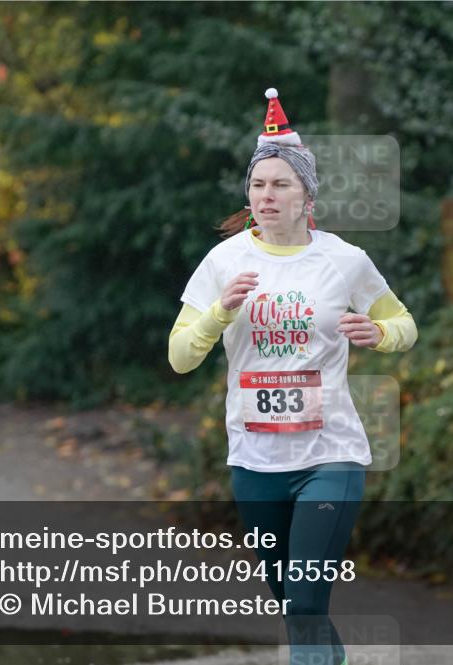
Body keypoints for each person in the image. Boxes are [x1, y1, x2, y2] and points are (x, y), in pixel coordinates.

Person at [169, 88, 417, 665]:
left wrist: (380, 335)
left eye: (281, 184)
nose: (267, 195)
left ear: (308, 194)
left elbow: (402, 322)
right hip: (254, 461)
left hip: (331, 453)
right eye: (258, 184)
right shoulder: (224, 262)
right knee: (295, 607)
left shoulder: (344, 259)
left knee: (305, 604)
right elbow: (180, 355)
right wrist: (218, 313)